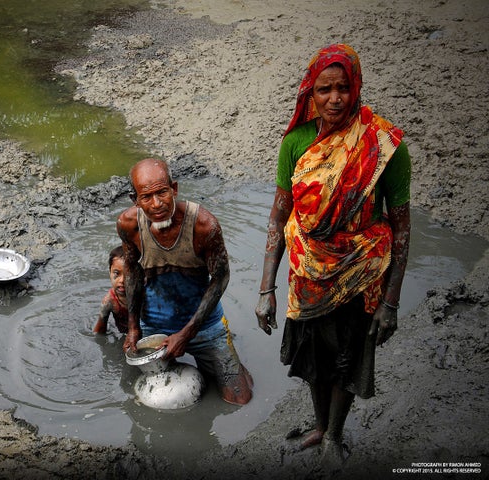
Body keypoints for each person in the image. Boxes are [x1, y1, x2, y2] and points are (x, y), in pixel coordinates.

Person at [254, 44, 411, 467]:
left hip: (361, 272)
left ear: (356, 86)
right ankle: (320, 425)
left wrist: (391, 302)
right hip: (307, 274)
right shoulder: (296, 142)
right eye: (325, 89)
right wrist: (266, 288)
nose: (335, 98)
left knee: (347, 357)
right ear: (311, 91)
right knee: (314, 357)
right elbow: (278, 216)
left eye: (343, 87)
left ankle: (334, 437)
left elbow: (401, 227)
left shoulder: (382, 143)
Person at [117, 158, 254, 405]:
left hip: (203, 325)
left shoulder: (203, 225)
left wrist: (187, 333)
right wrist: (133, 326)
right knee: (132, 394)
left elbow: (221, 279)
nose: (157, 204)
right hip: (153, 327)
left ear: (175, 189)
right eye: (146, 197)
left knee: (240, 399)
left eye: (162, 192)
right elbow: (133, 272)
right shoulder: (128, 225)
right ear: (134, 200)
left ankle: (230, 358)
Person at [93, 245, 129, 334]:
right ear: (110, 272)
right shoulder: (109, 301)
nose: (122, 280)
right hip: (123, 335)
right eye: (116, 273)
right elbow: (99, 332)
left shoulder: (145, 296)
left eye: (128, 275)